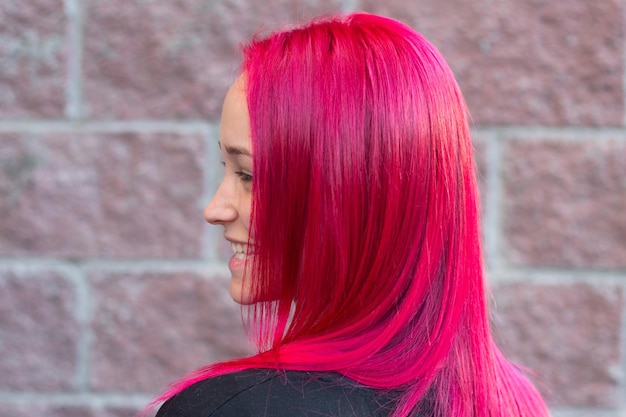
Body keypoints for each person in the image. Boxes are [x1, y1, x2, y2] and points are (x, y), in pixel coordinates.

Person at [150, 12, 550, 417]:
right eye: (227, 170)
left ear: (345, 191)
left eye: (250, 175)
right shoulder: (513, 402)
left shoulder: (235, 409)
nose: (215, 210)